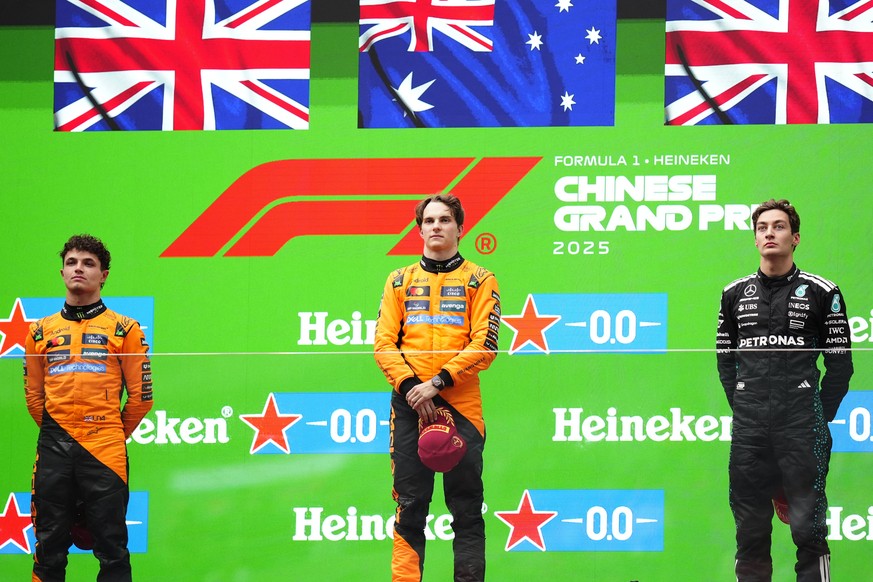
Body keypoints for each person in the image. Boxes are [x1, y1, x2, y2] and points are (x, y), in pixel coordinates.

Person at [716, 199, 853, 581]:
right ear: (755, 238)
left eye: (778, 227)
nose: (769, 233)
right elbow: (726, 363)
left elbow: (840, 366)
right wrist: (747, 407)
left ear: (794, 238)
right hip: (750, 433)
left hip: (801, 429)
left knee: (808, 531)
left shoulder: (823, 291)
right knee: (750, 534)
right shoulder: (733, 294)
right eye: (762, 228)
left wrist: (812, 414)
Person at [374, 194, 500, 581]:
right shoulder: (398, 279)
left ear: (460, 228)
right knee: (410, 507)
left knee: (466, 507)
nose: (436, 227)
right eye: (428, 221)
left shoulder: (481, 279)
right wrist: (413, 386)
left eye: (445, 220)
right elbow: (383, 345)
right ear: (419, 229)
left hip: (459, 402)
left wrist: (437, 383)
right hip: (410, 402)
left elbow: (486, 345)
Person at [24, 234, 153, 582]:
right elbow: (34, 397)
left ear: (104, 274)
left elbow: (142, 398)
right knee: (48, 548)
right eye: (71, 262)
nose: (78, 269)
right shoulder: (38, 331)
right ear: (63, 272)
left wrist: (107, 433)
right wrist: (62, 431)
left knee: (112, 550)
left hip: (105, 449)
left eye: (88, 263)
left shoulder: (126, 329)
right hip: (54, 446)